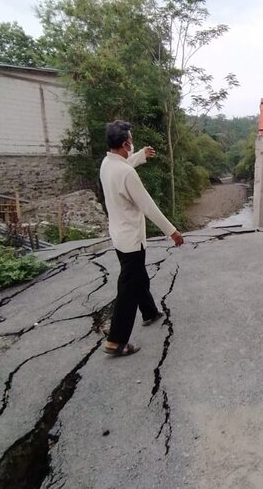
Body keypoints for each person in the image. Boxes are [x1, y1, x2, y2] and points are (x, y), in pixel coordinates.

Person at [100, 120, 184, 357]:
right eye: (131, 140)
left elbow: (124, 166)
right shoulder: (126, 172)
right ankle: (116, 341)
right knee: (128, 288)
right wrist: (172, 231)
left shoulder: (107, 164)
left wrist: (140, 155)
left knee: (137, 276)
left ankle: (149, 312)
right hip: (131, 240)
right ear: (126, 142)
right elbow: (148, 206)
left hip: (119, 236)